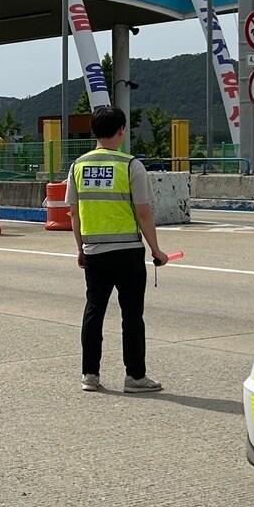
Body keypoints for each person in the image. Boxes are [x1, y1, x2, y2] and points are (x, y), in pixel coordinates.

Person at [67, 107, 168, 394]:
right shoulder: (130, 165)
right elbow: (144, 213)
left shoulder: (78, 166)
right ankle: (135, 377)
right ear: (122, 130)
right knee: (132, 314)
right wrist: (156, 250)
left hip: (94, 251)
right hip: (127, 251)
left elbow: (73, 213)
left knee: (94, 310)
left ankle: (90, 375)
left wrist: (80, 249)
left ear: (94, 131)